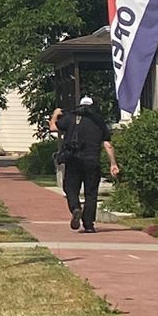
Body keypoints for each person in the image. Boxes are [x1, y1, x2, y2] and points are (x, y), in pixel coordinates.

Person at [52, 95, 115, 232]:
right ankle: (89, 225)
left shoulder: (70, 118)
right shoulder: (99, 121)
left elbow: (53, 128)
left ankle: (75, 208)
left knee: (70, 188)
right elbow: (108, 144)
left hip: (73, 160)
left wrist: (55, 114)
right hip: (92, 161)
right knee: (91, 194)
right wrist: (113, 163)